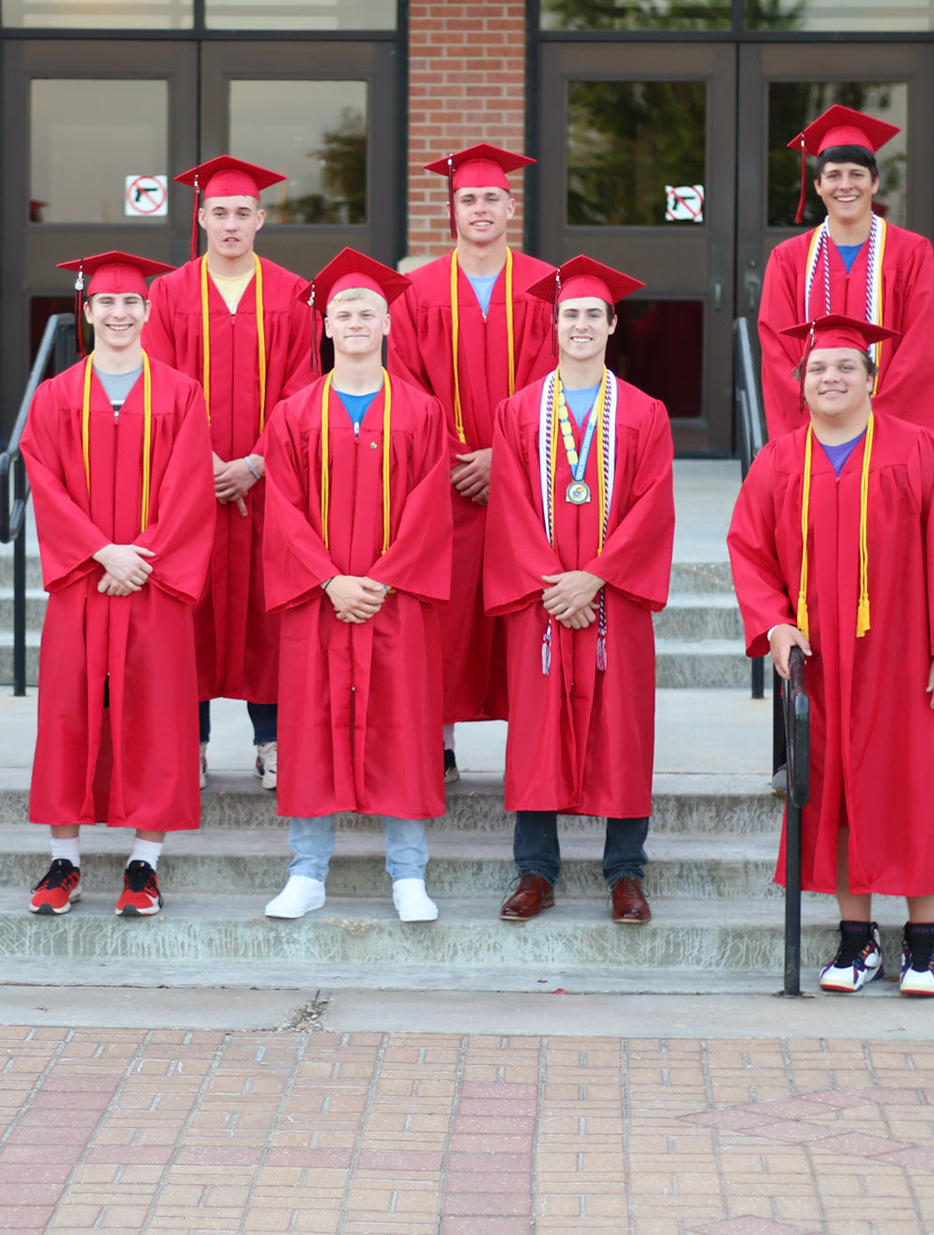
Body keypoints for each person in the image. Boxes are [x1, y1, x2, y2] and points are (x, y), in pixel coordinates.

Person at [726, 313, 934, 997]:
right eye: (819, 369)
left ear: (872, 381)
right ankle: (856, 937)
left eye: (846, 367)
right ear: (800, 383)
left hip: (905, 657)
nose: (831, 378)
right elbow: (749, 551)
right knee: (837, 790)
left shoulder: (917, 451)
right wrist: (775, 627)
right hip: (821, 661)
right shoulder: (780, 461)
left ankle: (924, 944)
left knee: (912, 789)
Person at [259, 249, 453, 924]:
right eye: (343, 312)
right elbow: (280, 510)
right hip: (318, 602)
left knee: (402, 730)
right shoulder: (292, 414)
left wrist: (382, 579)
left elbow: (434, 509)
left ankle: (409, 877)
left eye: (368, 311)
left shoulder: (424, 414)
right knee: (311, 732)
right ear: (326, 326)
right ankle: (307, 873)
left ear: (388, 324)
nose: (356, 321)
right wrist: (329, 580)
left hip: (395, 602)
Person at [20, 251, 215, 919]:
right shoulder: (55, 397)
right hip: (84, 583)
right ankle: (65, 859)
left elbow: (190, 491)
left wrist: (143, 557)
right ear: (87, 310)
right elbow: (43, 483)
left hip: (154, 584)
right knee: (69, 715)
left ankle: (144, 863)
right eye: (106, 303)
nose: (119, 313)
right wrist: (102, 552)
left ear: (148, 311)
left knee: (157, 716)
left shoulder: (182, 394)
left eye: (131, 303)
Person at [484, 257, 676, 927]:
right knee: (536, 734)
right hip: (541, 600)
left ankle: (626, 873)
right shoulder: (516, 413)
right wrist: (554, 585)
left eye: (594, 314)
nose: (582, 325)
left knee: (623, 731)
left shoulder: (646, 415)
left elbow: (653, 507)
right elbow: (507, 506)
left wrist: (595, 577)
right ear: (554, 324)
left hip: (612, 600)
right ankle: (535, 870)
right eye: (571, 315)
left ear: (613, 324)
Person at [143, 156, 318, 790]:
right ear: (201, 218)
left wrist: (254, 463)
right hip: (188, 488)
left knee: (266, 613)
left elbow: (304, 389)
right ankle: (191, 745)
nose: (231, 225)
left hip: (269, 485)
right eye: (220, 213)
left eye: (243, 214)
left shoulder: (294, 293)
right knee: (191, 607)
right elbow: (157, 384)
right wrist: (204, 463)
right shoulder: (167, 293)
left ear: (261, 220)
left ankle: (271, 743)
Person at [388, 144, 558, 780]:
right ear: (451, 211)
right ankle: (442, 745)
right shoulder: (416, 292)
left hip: (529, 483)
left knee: (523, 609)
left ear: (510, 207)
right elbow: (403, 386)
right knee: (443, 613)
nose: (481, 209)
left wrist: (503, 458)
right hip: (443, 480)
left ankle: (532, 748)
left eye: (492, 198)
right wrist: (462, 460)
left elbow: (557, 381)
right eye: (469, 200)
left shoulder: (545, 288)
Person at [757, 104, 934, 442]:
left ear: (874, 183)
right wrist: (823, 421)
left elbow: (922, 351)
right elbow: (777, 352)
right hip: (812, 435)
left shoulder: (912, 254)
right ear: (817, 185)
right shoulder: (788, 259)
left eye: (857, 174)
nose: (846, 185)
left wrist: (877, 425)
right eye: (833, 175)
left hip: (888, 435)